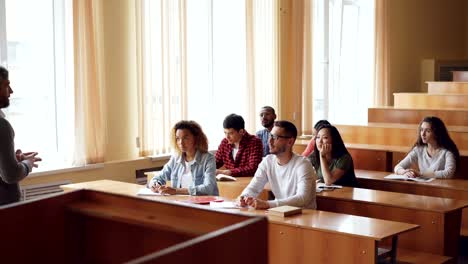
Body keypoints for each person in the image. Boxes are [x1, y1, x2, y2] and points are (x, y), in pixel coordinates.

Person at [238, 120, 316, 209]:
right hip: (280, 212)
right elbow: (253, 187)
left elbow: (302, 198)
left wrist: (268, 204)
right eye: (270, 136)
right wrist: (244, 197)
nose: (270, 141)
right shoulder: (268, 161)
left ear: (290, 141)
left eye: (275, 137)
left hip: (304, 216)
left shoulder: (303, 164)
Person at [0, 66, 42, 205]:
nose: (11, 91)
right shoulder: (2, 126)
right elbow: (10, 175)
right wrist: (27, 164)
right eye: (7, 85)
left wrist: (16, 158)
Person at [150, 120, 219, 195]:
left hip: (203, 204)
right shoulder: (176, 158)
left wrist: (176, 191)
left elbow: (208, 188)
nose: (181, 143)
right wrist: (156, 184)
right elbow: (158, 177)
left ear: (196, 138)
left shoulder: (208, 159)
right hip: (181, 203)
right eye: (178, 138)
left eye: (185, 138)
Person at [394, 116, 459, 179]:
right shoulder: (418, 150)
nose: (423, 134)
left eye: (428, 131)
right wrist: (405, 172)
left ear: (436, 133)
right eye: (421, 130)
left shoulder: (447, 152)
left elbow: (449, 173)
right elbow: (397, 167)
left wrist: (421, 174)